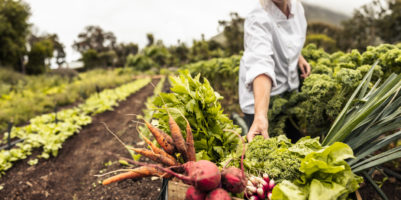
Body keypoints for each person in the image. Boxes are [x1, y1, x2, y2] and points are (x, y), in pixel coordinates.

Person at [239, 0, 311, 142]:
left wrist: (298, 57)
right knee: (268, 153)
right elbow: (261, 63)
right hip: (261, 99)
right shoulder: (257, 17)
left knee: (294, 139)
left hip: (289, 90)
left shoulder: (296, 7)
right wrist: (260, 115)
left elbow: (289, 39)